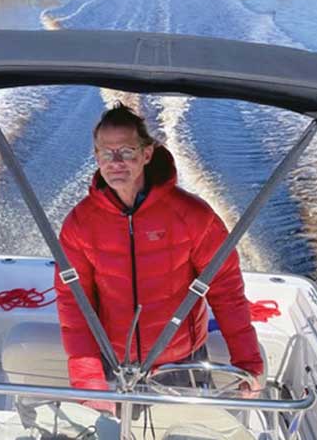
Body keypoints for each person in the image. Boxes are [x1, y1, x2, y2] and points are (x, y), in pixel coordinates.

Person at [54, 103, 263, 410]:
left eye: (126, 151)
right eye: (105, 153)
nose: (115, 162)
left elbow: (226, 290)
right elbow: (74, 302)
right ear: (96, 157)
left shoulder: (192, 215)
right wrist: (88, 380)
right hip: (114, 361)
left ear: (147, 154)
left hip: (183, 361)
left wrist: (247, 361)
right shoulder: (79, 224)